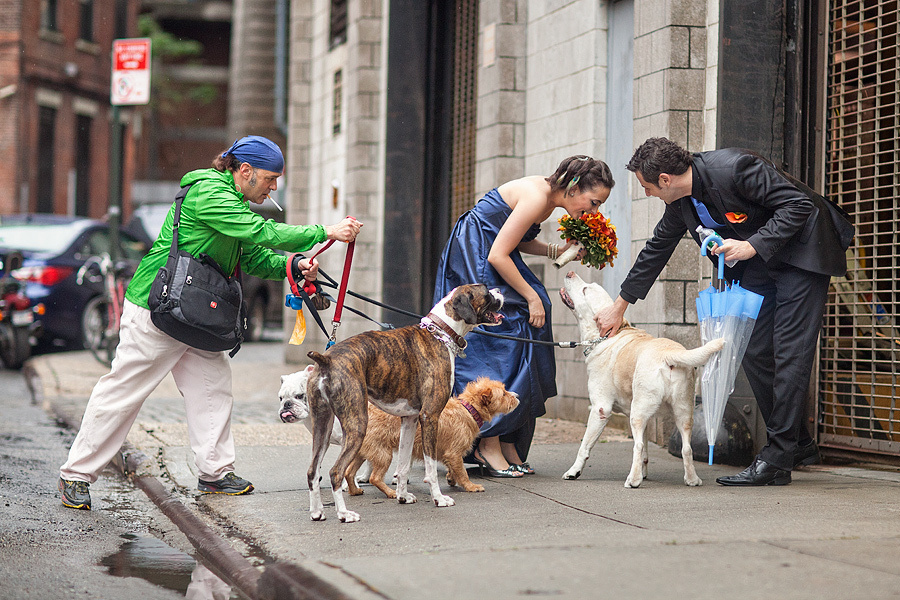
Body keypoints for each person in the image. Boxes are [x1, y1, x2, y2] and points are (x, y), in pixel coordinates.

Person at [58, 135, 363, 510]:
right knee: (123, 393)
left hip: (197, 313)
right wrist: (324, 232)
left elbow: (251, 256)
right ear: (245, 170)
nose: (274, 187)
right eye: (270, 178)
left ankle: (215, 474)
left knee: (213, 391)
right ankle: (75, 474)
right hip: (158, 311)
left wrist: (294, 265)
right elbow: (257, 231)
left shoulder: (235, 202)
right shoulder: (208, 191)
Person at [594, 137, 854, 486]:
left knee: (791, 350)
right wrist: (618, 307)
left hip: (805, 250)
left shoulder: (735, 168)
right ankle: (799, 444)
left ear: (666, 180)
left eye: (646, 186)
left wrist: (750, 245)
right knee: (755, 347)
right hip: (766, 258)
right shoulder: (683, 202)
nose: (646, 194)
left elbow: (799, 205)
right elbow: (656, 249)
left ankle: (778, 458)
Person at [433, 156, 615, 477]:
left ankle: (507, 442)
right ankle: (487, 443)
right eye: (594, 202)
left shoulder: (548, 199)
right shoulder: (536, 197)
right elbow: (497, 253)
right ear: (574, 188)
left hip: (491, 251)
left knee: (532, 318)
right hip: (475, 253)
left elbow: (516, 240)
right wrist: (531, 297)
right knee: (504, 331)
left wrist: (554, 252)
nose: (594, 212)